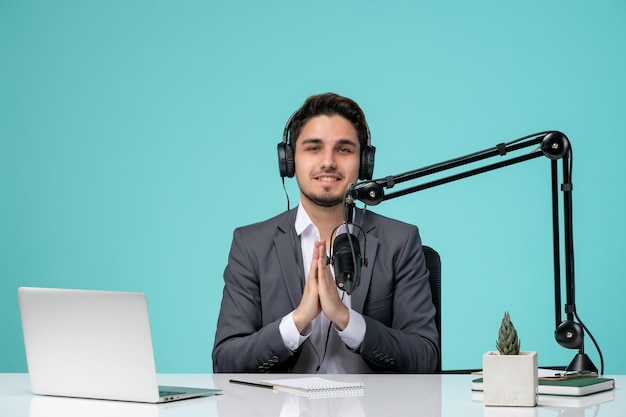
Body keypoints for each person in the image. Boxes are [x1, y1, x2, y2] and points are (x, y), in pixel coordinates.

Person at [212, 92, 438, 373]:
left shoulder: (400, 242)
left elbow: (425, 358)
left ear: (364, 163)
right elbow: (225, 362)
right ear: (290, 161)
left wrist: (347, 319)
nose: (328, 162)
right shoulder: (251, 245)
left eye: (344, 149)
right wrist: (296, 321)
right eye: (313, 148)